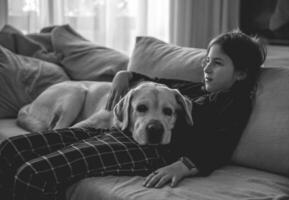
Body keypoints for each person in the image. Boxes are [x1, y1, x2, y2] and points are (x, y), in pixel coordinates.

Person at [0, 30, 266, 200]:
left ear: (241, 73)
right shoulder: (197, 88)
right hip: (121, 132)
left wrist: (183, 165)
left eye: (217, 63)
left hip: (153, 152)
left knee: (33, 173)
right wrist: (126, 75)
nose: (207, 67)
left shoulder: (235, 102)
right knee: (10, 148)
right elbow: (158, 81)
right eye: (206, 60)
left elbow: (221, 144)